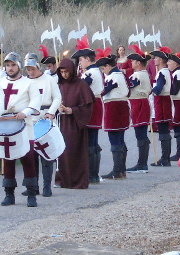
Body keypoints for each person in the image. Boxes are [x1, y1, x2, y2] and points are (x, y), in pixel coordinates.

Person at [0, 52, 42, 207]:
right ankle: (9, 194)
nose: (10, 68)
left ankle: (31, 194)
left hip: (24, 125)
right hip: (4, 124)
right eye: (8, 65)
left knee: (27, 158)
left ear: (19, 66)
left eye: (13, 65)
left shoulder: (29, 83)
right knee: (8, 159)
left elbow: (36, 101)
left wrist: (25, 112)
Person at [25, 52, 61, 197]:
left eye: (32, 69)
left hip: (45, 118)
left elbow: (57, 97)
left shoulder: (49, 80)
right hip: (30, 120)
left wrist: (51, 112)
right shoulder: (25, 82)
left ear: (38, 67)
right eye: (28, 69)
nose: (30, 72)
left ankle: (47, 186)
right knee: (31, 156)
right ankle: (33, 186)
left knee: (47, 154)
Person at [56, 58, 95, 189]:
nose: (64, 74)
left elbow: (87, 106)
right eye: (62, 72)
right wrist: (58, 107)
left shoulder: (80, 84)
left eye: (67, 71)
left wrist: (72, 110)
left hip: (75, 124)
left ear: (72, 70)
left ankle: (78, 181)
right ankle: (64, 180)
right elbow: (53, 101)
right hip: (62, 123)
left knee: (74, 151)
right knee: (63, 152)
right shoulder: (59, 84)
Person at [98, 55, 130, 180]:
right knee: (120, 139)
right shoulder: (121, 75)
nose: (103, 71)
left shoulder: (112, 77)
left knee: (115, 139)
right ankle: (121, 170)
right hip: (122, 106)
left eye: (103, 68)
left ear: (108, 66)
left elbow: (103, 91)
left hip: (114, 107)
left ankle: (117, 171)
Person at [75, 43, 104, 182]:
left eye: (81, 60)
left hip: (91, 105)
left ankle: (92, 174)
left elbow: (80, 88)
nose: (80, 63)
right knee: (92, 140)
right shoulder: (96, 71)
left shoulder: (90, 73)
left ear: (87, 59)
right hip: (96, 103)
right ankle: (93, 174)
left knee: (90, 142)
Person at [126, 46, 152, 173]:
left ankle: (142, 164)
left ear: (138, 63)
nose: (131, 63)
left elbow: (127, 88)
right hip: (141, 103)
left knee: (140, 134)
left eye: (133, 61)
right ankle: (142, 163)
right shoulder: (144, 74)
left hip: (139, 104)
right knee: (141, 134)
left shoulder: (137, 75)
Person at [150, 47, 174, 166]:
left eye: (156, 58)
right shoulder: (166, 72)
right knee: (164, 131)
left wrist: (151, 90)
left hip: (162, 103)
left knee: (163, 131)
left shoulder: (162, 73)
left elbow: (158, 88)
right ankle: (166, 157)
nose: (154, 60)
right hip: (165, 102)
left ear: (160, 59)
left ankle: (165, 158)